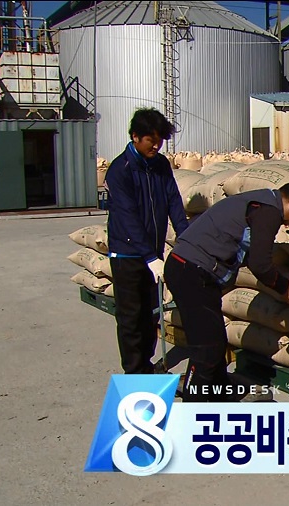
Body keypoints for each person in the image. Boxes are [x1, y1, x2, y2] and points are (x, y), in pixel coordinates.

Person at [164, 179, 289, 402]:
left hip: (190, 269)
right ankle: (193, 411)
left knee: (215, 339)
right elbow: (260, 265)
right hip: (190, 271)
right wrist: (285, 286)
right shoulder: (269, 212)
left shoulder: (262, 201)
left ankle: (220, 395)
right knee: (207, 348)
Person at [105, 108, 189, 374]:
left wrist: (185, 238)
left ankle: (146, 363)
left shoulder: (160, 165)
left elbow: (174, 201)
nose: (156, 145)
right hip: (128, 255)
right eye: (150, 140)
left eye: (160, 140)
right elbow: (127, 216)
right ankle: (134, 371)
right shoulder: (120, 170)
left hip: (152, 252)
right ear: (135, 137)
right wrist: (149, 256)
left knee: (152, 313)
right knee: (131, 317)